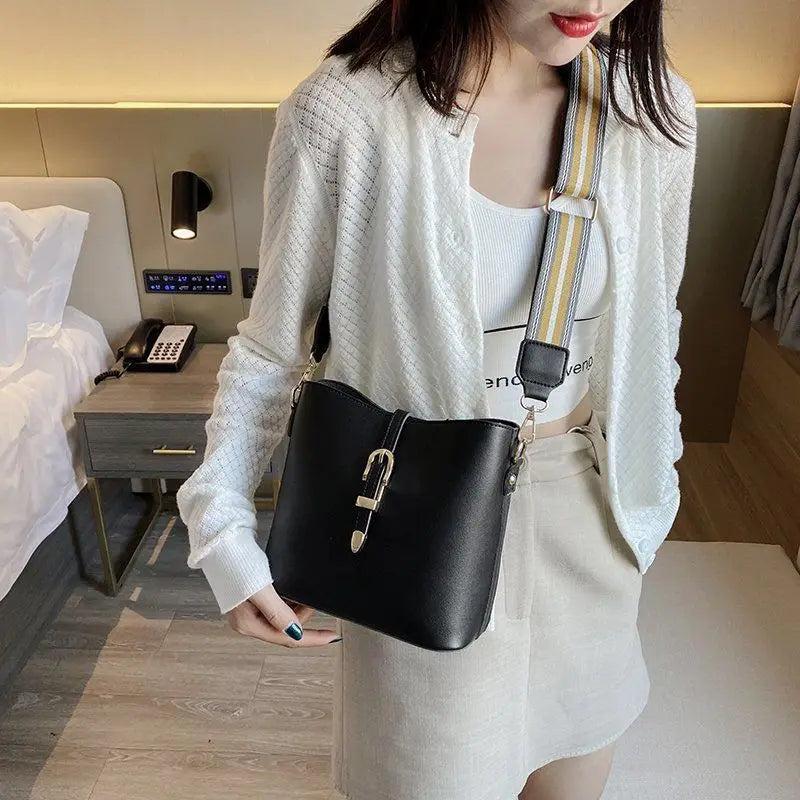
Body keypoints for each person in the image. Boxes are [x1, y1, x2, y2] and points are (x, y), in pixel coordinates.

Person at [176, 1, 697, 798]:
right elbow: (273, 349)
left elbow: (655, 329)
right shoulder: (344, 114)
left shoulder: (652, 110)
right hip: (422, 526)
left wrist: (650, 497)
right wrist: (221, 525)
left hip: (589, 517)